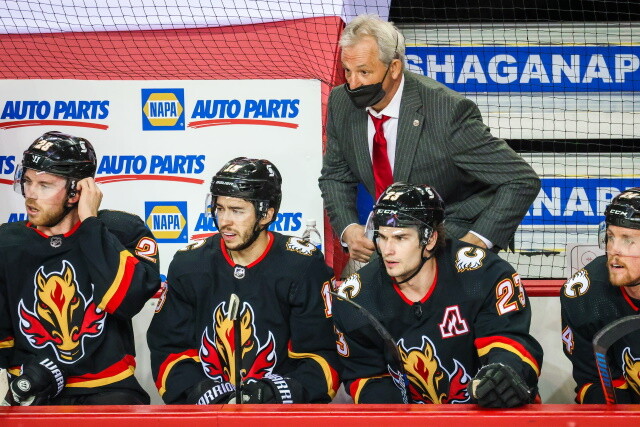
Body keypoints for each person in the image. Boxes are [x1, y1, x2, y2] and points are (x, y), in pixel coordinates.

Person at [319, 14, 540, 263]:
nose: (353, 84)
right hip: (389, 241)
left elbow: (521, 180)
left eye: (364, 72)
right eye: (347, 71)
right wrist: (349, 229)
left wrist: (475, 243)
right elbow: (335, 176)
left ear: (393, 68)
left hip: (448, 236)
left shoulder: (446, 111)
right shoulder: (340, 103)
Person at [147, 157, 340, 404]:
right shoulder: (189, 265)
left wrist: (275, 393)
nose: (224, 221)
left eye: (237, 210)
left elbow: (322, 356)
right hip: (209, 416)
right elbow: (168, 349)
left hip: (279, 417)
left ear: (266, 214)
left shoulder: (302, 266)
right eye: (220, 208)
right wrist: (199, 391)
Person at [331, 182, 543, 406]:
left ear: (430, 239)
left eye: (400, 237)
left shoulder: (483, 274)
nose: (387, 250)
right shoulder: (356, 297)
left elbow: (508, 341)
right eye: (382, 237)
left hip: (489, 414)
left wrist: (504, 373)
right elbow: (367, 376)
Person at [0, 131, 160, 406]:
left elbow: (124, 301)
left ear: (78, 190)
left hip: (109, 390)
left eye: (45, 185)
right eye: (27, 182)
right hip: (34, 390)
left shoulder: (121, 231)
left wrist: (90, 225)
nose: (31, 195)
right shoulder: (7, 242)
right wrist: (27, 374)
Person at [561, 188, 640, 403]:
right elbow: (595, 383)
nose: (613, 249)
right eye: (610, 237)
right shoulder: (584, 294)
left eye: (628, 240)